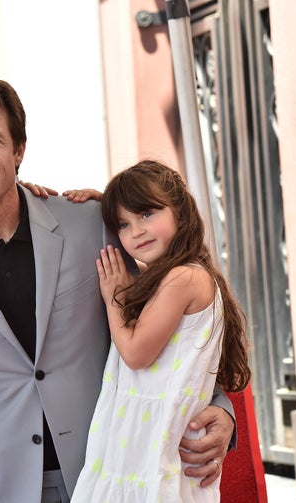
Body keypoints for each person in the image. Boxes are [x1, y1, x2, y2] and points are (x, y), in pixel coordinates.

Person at [0, 70, 237, 503]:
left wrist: (222, 411)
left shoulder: (91, 224)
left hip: (109, 467)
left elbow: (169, 328)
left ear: (18, 149)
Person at [71, 160, 251, 502]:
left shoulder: (184, 278)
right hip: (143, 442)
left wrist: (113, 298)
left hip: (154, 448)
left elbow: (136, 353)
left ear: (181, 214)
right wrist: (99, 208)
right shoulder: (172, 275)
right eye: (123, 224)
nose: (136, 231)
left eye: (147, 214)